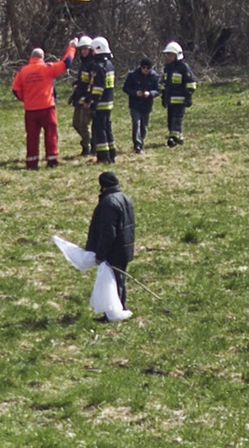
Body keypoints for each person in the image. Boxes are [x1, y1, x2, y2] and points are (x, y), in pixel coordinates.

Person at [10, 42, 77, 170]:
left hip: (30, 110)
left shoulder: (23, 71)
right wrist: (72, 48)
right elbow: (66, 62)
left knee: (32, 136)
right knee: (51, 134)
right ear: (42, 57)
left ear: (31, 57)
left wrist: (26, 99)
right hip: (47, 107)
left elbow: (15, 90)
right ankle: (52, 160)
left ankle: (32, 162)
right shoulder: (48, 68)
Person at [84, 170, 135, 313]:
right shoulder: (125, 198)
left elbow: (108, 232)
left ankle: (115, 312)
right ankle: (120, 308)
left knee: (113, 282)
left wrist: (101, 254)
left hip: (114, 250)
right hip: (125, 247)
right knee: (120, 281)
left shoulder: (108, 203)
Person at [160, 41, 197, 147]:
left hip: (180, 101)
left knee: (177, 120)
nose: (169, 57)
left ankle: (173, 139)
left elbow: (191, 83)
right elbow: (164, 84)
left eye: (171, 55)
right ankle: (179, 138)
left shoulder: (183, 67)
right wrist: (164, 97)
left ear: (177, 55)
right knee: (170, 121)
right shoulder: (167, 68)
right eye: (168, 55)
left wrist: (188, 97)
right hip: (170, 101)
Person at [88, 36, 117, 163]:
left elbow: (98, 87)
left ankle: (103, 156)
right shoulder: (109, 64)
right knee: (107, 128)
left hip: (100, 103)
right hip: (109, 102)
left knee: (100, 130)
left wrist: (93, 101)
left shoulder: (98, 67)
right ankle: (112, 153)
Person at [123, 56, 160, 153]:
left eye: (148, 68)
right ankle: (137, 145)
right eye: (144, 67)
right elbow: (126, 88)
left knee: (144, 126)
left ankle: (141, 141)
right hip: (135, 104)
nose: (145, 70)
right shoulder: (133, 75)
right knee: (136, 123)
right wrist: (135, 93)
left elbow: (158, 90)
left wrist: (150, 93)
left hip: (146, 104)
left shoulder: (154, 76)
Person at [70, 35, 95, 156]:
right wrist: (76, 84)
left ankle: (88, 146)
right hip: (79, 97)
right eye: (82, 49)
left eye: (86, 49)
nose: (84, 51)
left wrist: (88, 99)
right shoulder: (83, 64)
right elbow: (82, 80)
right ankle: (90, 141)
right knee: (76, 123)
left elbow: (93, 83)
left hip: (87, 99)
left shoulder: (93, 64)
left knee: (83, 124)